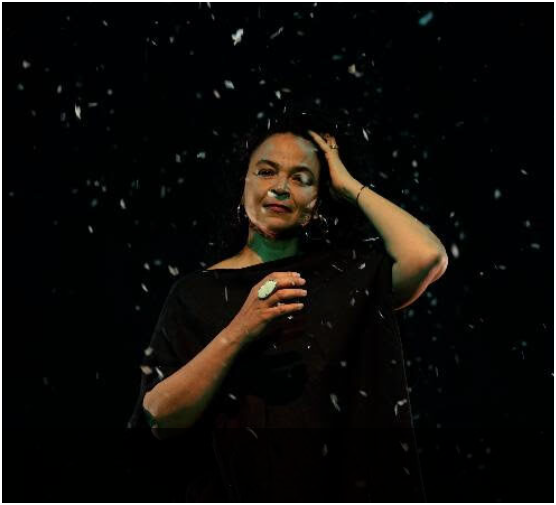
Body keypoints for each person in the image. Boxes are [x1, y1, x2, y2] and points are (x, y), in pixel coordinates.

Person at [127, 108, 440, 502]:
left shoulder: (342, 277)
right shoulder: (194, 293)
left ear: (316, 204)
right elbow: (158, 414)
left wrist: (347, 184)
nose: (280, 187)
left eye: (301, 179)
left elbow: (427, 256)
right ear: (242, 185)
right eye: (266, 171)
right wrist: (241, 329)